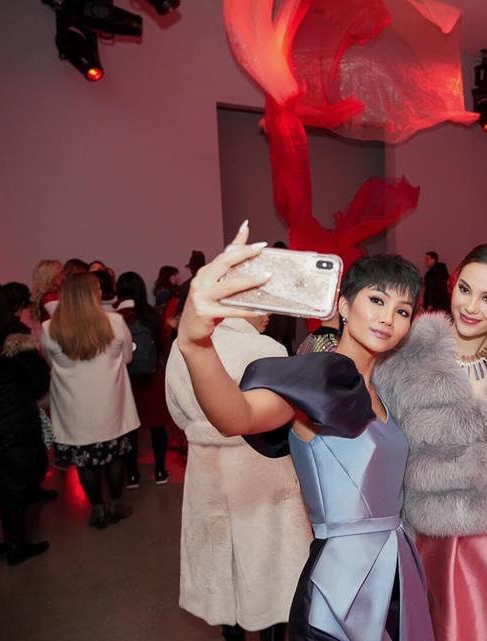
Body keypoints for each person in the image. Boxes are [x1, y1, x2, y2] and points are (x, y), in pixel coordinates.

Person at [175, 221, 435, 641]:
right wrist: (195, 344)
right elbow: (238, 416)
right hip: (341, 586)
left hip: (394, 571)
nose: (388, 318)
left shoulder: (381, 388)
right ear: (343, 305)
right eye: (376, 300)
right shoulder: (320, 377)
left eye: (402, 311)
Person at [373, 243, 487, 641]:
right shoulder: (403, 359)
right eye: (466, 289)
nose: (471, 307)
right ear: (452, 283)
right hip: (437, 537)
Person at [166, 313, 310, 641]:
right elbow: (285, 415)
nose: (268, 313)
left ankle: (231, 633)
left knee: (220, 569)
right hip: (260, 470)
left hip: (207, 471)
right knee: (271, 574)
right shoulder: (267, 349)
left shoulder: (184, 346)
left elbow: (177, 412)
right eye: (259, 303)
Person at [40, 273, 139, 528]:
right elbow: (128, 357)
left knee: (85, 463)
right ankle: (116, 504)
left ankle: (97, 509)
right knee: (114, 458)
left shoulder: (50, 329)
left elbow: (50, 364)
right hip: (110, 405)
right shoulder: (114, 322)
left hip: (74, 409)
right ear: (93, 294)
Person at [0, 282, 51, 565]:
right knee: (12, 485)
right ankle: (16, 544)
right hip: (12, 425)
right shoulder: (16, 342)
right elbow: (39, 383)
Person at [115, 272, 170, 487]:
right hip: (152, 378)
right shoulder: (151, 315)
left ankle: (132, 475)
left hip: (125, 380)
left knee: (130, 429)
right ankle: (160, 471)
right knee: (158, 427)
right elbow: (164, 345)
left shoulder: (114, 318)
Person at [177, 250, 207, 315]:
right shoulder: (211, 282)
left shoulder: (185, 285)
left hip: (190, 317)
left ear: (191, 269)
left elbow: (180, 309)